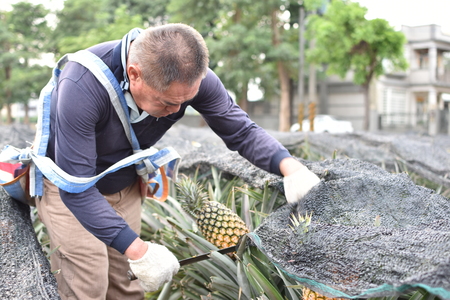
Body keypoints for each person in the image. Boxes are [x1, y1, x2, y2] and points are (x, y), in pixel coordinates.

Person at [35, 23, 320, 299]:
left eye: (185, 101)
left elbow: (241, 130)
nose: (176, 110)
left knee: (126, 284)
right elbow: (77, 188)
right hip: (70, 190)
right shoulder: (82, 85)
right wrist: (138, 250)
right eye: (166, 103)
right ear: (135, 75)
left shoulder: (192, 78)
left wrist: (290, 168)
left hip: (124, 182)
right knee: (89, 284)